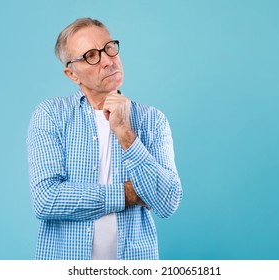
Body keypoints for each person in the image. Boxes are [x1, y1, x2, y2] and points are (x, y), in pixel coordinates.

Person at [27, 17, 182, 260]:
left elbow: (167, 201)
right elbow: (47, 200)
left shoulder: (153, 120)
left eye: (109, 48)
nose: (108, 61)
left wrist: (125, 134)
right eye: (91, 55)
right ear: (72, 74)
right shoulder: (51, 115)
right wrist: (130, 194)